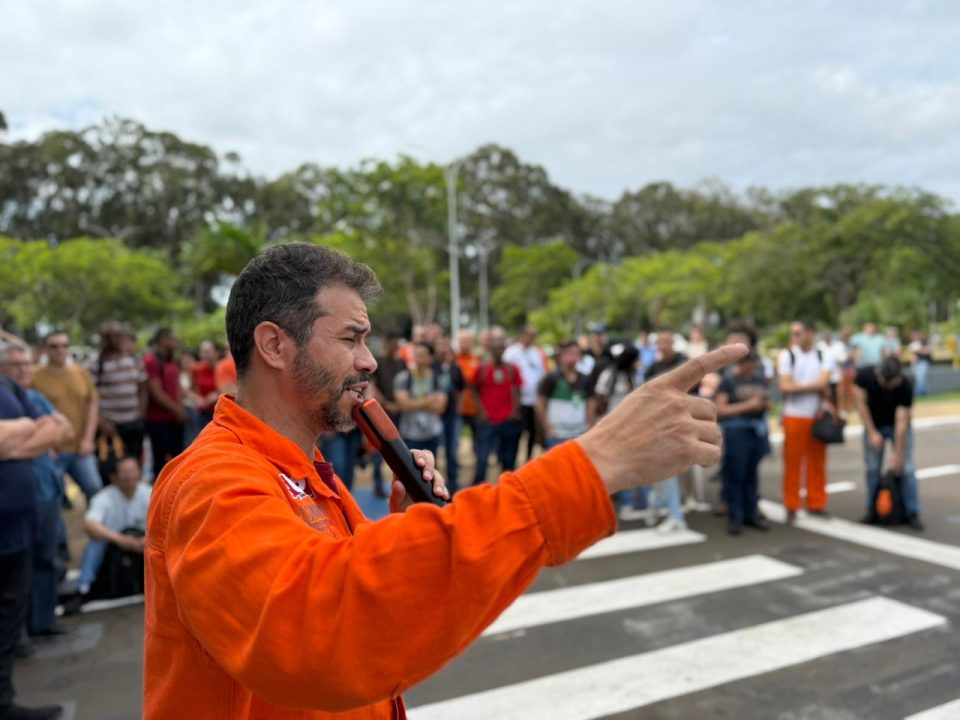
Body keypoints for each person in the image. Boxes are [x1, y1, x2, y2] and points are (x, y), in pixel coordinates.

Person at [143, 242, 742, 719]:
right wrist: (592, 464)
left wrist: (405, 532)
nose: (369, 360)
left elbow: (348, 583)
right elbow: (318, 632)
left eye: (366, 340)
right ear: (274, 344)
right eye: (350, 338)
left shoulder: (304, 470)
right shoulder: (212, 480)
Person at [1, 342, 72, 720]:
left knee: (10, 613)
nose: (22, 368)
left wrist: (14, 441)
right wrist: (28, 430)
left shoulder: (11, 390)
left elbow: (57, 430)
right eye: (15, 362)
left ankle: (3, 701)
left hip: (18, 525)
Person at [31, 332, 103, 503]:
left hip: (80, 448)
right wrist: (45, 444)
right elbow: (31, 412)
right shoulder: (34, 376)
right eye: (54, 346)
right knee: (51, 499)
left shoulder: (82, 373)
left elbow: (92, 405)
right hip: (50, 450)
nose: (60, 350)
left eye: (64, 345)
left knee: (94, 487)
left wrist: (88, 439)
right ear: (45, 349)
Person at [853, 357, 923, 530]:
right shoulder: (864, 376)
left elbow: (902, 422)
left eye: (895, 382)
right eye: (889, 383)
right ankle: (872, 510)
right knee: (872, 469)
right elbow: (861, 405)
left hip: (896, 426)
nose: (892, 386)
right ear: (879, 375)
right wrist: (871, 432)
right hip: (874, 424)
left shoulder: (905, 384)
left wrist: (897, 454)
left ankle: (912, 512)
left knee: (906, 468)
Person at [778, 319, 836, 522]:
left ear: (810, 333)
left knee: (817, 461)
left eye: (798, 333)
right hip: (794, 414)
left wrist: (797, 387)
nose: (794, 337)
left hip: (817, 415)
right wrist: (814, 386)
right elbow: (785, 387)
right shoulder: (787, 355)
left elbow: (823, 382)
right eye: (792, 333)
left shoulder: (824, 354)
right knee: (792, 462)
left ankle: (816, 502)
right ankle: (791, 504)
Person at [72, 456, 150, 604]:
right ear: (114, 477)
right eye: (124, 472)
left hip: (144, 543)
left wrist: (146, 540)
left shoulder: (149, 493)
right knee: (96, 543)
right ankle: (83, 587)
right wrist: (120, 540)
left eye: (133, 471)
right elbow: (89, 524)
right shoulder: (103, 497)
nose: (129, 476)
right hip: (114, 544)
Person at [715, 350, 772, 535]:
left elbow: (768, 400)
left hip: (756, 429)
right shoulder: (729, 381)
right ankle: (735, 517)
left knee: (751, 475)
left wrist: (764, 404)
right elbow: (720, 409)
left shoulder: (758, 379)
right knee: (735, 475)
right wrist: (748, 405)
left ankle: (750, 514)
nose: (751, 367)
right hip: (736, 430)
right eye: (748, 363)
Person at [643, 330, 689, 533]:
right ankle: (660, 505)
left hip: (680, 421)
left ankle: (672, 512)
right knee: (662, 470)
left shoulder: (684, 363)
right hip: (658, 423)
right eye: (661, 342)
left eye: (667, 342)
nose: (664, 346)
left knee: (670, 469)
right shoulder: (653, 367)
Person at [471, 327, 524, 485]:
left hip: (507, 419)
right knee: (482, 459)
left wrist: (514, 410)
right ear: (490, 349)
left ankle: (508, 489)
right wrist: (480, 410)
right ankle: (477, 489)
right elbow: (473, 389)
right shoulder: (482, 368)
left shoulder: (512, 368)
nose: (498, 351)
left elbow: (518, 389)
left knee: (508, 459)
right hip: (488, 420)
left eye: (501, 348)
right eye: (495, 348)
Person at [90, 321, 148, 464]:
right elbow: (91, 397)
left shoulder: (134, 360)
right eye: (108, 336)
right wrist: (102, 421)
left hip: (133, 423)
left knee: (134, 463)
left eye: (117, 335)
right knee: (112, 465)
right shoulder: (96, 364)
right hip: (110, 426)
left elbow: (143, 387)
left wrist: (141, 413)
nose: (113, 339)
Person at [143, 328, 186, 479]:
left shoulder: (173, 360)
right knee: (160, 460)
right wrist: (177, 410)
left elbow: (177, 386)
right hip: (157, 420)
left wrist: (179, 408)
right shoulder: (151, 360)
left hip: (174, 418)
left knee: (177, 458)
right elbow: (156, 392)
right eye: (173, 339)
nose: (177, 342)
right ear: (163, 340)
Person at [535, 341, 595, 450]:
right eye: (569, 353)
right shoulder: (551, 379)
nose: (573, 357)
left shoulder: (585, 379)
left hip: (579, 434)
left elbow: (590, 403)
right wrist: (547, 428)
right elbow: (540, 403)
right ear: (561, 356)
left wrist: (589, 426)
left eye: (576, 354)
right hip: (557, 434)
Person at [393, 342, 447, 457]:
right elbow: (403, 405)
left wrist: (413, 403)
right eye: (416, 354)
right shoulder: (404, 378)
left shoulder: (438, 379)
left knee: (431, 465)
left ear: (430, 358)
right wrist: (429, 400)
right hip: (410, 433)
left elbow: (440, 407)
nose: (418, 359)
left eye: (422, 355)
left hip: (432, 432)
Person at [503, 325, 547, 462]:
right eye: (529, 335)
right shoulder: (511, 353)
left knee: (533, 433)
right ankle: (511, 460)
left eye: (534, 336)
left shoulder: (537, 353)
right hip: (519, 401)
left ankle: (528, 459)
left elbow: (542, 373)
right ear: (522, 335)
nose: (532, 338)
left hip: (534, 401)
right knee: (516, 433)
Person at [370, 334, 405, 498]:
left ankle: (401, 485)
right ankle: (378, 484)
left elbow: (405, 385)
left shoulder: (402, 363)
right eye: (391, 343)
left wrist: (399, 403)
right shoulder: (378, 362)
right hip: (381, 412)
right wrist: (386, 404)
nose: (393, 347)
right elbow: (372, 386)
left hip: (399, 412)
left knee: (399, 450)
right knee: (379, 449)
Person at [434, 336, 465, 494]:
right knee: (434, 449)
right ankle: (434, 483)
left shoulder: (455, 368)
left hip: (452, 414)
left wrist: (459, 407)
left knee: (452, 449)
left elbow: (461, 389)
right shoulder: (433, 367)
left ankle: (453, 484)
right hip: (436, 414)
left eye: (446, 346)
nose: (443, 349)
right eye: (441, 346)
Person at [454, 329, 482, 462]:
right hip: (458, 406)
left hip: (474, 406)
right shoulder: (454, 359)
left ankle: (478, 459)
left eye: (467, 340)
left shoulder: (477, 359)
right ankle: (456, 461)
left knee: (478, 436)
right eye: (462, 341)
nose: (464, 343)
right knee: (455, 437)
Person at [908, 330, 932, 396]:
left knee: (921, 378)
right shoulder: (912, 342)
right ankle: (924, 392)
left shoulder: (924, 341)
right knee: (918, 378)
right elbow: (912, 354)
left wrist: (919, 349)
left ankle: (918, 392)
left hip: (923, 362)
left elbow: (928, 350)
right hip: (915, 363)